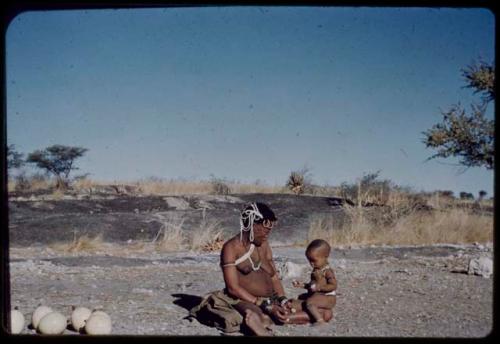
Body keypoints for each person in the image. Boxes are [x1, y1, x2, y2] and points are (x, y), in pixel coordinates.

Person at [190, 202, 332, 335]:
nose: (266, 235)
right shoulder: (231, 248)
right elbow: (233, 288)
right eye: (265, 230)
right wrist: (263, 304)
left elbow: (274, 276)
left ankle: (281, 318)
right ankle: (265, 321)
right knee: (259, 316)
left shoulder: (263, 244)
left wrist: (282, 300)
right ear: (252, 225)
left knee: (325, 313)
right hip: (245, 300)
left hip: (273, 299)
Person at [289, 239, 337, 326]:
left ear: (325, 256)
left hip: (328, 297)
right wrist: (302, 285)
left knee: (310, 302)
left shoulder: (327, 271)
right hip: (317, 295)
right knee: (301, 297)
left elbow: (333, 286)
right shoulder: (315, 270)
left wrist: (320, 287)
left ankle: (320, 320)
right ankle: (309, 313)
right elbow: (312, 286)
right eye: (309, 261)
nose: (312, 264)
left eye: (314, 260)